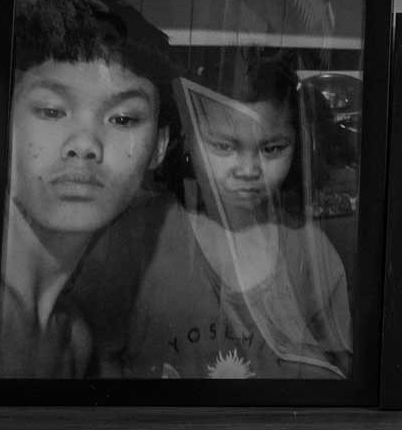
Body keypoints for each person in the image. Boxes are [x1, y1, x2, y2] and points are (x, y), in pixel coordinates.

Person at [106, 51, 353, 379]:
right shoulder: (139, 238)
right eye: (224, 146)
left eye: (272, 148)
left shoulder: (312, 255)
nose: (249, 170)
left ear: (297, 145)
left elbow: (335, 375)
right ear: (188, 140)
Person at [0, 0, 176, 378]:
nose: (84, 144)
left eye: (123, 119)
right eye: (50, 110)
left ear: (159, 147)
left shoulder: (74, 337)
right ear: (4, 122)